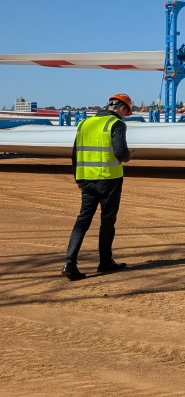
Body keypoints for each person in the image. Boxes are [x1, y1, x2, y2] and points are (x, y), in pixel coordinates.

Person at [62, 92, 135, 281]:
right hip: (109, 180)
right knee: (107, 221)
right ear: (122, 108)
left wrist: (78, 178)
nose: (124, 116)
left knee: (83, 220)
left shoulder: (84, 123)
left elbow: (74, 153)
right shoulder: (116, 124)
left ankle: (70, 262)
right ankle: (105, 262)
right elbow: (120, 153)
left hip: (86, 179)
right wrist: (129, 156)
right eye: (125, 112)